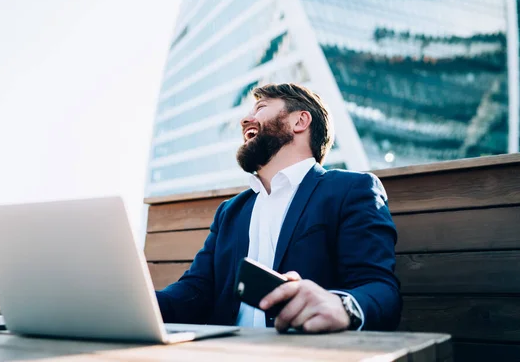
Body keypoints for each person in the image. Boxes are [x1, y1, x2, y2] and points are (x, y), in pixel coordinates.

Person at [155, 83, 401, 332]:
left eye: (260, 107)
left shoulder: (350, 190)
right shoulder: (230, 212)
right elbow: (195, 291)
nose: (244, 120)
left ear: (300, 121)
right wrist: (139, 303)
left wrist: (342, 306)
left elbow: (380, 289)